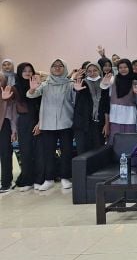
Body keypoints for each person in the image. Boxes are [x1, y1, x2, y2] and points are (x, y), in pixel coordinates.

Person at [27, 59, 77, 191]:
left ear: (65, 68)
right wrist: (32, 89)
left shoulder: (70, 84)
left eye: (60, 66)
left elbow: (76, 100)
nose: (57, 68)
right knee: (48, 153)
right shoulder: (45, 84)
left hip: (66, 123)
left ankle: (65, 178)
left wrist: (77, 91)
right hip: (48, 124)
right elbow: (32, 95)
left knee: (66, 152)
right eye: (54, 66)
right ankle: (49, 179)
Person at [10, 63, 39, 191]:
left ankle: (39, 178)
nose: (28, 73)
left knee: (38, 151)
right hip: (25, 120)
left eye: (30, 70)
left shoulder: (39, 85)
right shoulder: (15, 88)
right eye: (24, 71)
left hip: (39, 119)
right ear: (20, 73)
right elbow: (12, 103)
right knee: (26, 151)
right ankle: (27, 180)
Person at [71, 62, 109, 154]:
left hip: (99, 123)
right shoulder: (81, 83)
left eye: (95, 70)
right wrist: (76, 90)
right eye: (89, 71)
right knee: (83, 153)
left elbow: (106, 105)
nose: (92, 73)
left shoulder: (105, 84)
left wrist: (107, 124)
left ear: (99, 71)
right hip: (83, 124)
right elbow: (74, 95)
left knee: (97, 152)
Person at [101, 58, 137, 142]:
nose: (123, 69)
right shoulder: (113, 79)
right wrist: (104, 82)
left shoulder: (134, 82)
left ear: (129, 68)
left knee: (130, 141)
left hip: (130, 116)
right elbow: (103, 86)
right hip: (115, 116)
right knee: (115, 141)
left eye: (125, 67)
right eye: (120, 67)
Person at [0, 75, 16, 193]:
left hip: (4, 125)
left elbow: (12, 114)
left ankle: (6, 183)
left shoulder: (8, 91)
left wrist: (14, 130)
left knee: (5, 154)